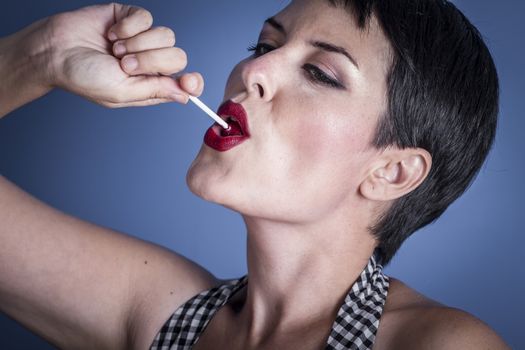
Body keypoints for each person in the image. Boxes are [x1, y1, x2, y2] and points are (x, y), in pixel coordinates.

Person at [0, 0, 510, 349]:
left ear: (393, 171)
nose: (252, 73)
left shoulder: (440, 344)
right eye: (265, 47)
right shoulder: (162, 313)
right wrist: (43, 54)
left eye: (320, 73)